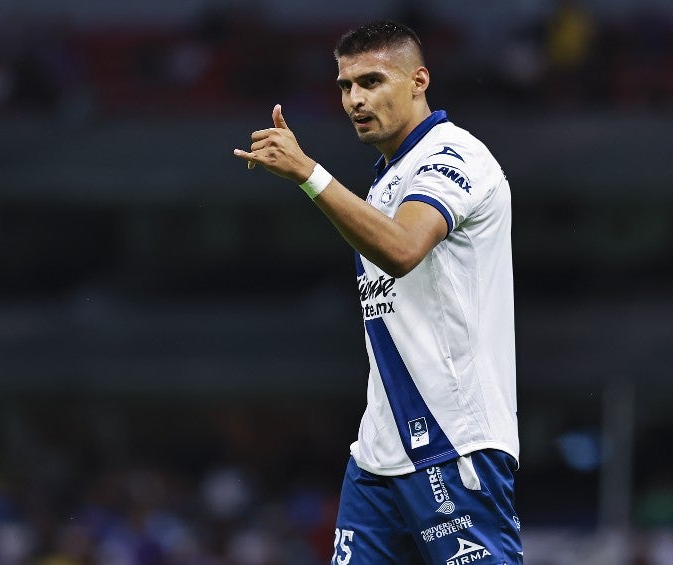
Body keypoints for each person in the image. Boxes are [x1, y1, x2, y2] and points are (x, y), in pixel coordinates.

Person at [233, 20, 522, 564]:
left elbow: (404, 249)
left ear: (419, 80)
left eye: (372, 81)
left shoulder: (453, 157)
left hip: (453, 442)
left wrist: (308, 174)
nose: (355, 100)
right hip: (378, 457)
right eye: (346, 86)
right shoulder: (389, 176)